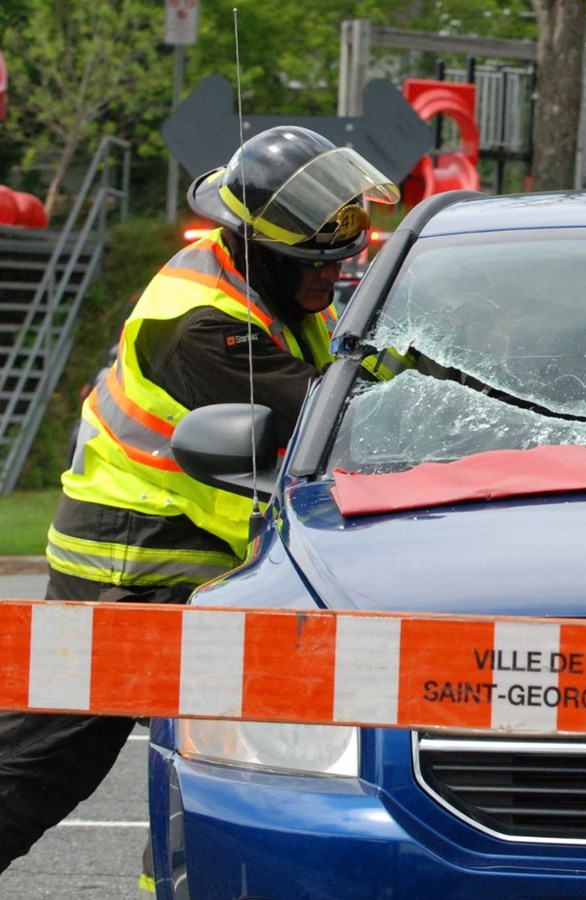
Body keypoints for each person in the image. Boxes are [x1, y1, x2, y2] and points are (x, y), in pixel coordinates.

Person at [0, 125, 397, 887]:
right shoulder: (203, 325)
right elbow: (337, 419)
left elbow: (356, 376)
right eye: (318, 263)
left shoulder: (268, 290)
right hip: (135, 564)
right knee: (47, 765)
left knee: (219, 757)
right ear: (261, 247)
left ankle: (185, 878)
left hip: (187, 562)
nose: (335, 273)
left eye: (342, 258)